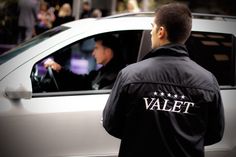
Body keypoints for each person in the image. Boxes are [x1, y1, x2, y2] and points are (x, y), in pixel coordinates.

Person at [103, 3, 225, 157]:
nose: (150, 32)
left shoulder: (130, 75)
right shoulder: (208, 81)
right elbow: (215, 133)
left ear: (161, 31)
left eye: (152, 26)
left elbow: (111, 124)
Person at [44, 34, 124, 91]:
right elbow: (82, 82)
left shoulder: (113, 78)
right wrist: (60, 69)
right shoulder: (103, 71)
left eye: (96, 48)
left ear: (108, 52)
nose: (93, 53)